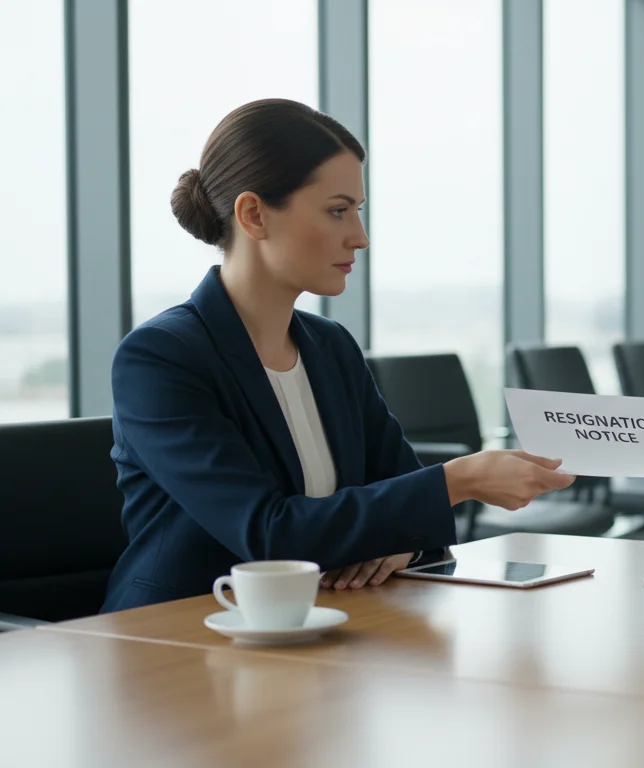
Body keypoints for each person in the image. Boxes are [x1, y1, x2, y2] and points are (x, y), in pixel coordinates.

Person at [103, 99, 574, 612]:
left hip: (321, 630)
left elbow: (400, 499)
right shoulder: (161, 357)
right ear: (254, 214)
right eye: (337, 210)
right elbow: (268, 535)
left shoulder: (330, 347)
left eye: (358, 210)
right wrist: (459, 480)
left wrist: (402, 541)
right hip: (176, 638)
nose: (360, 237)